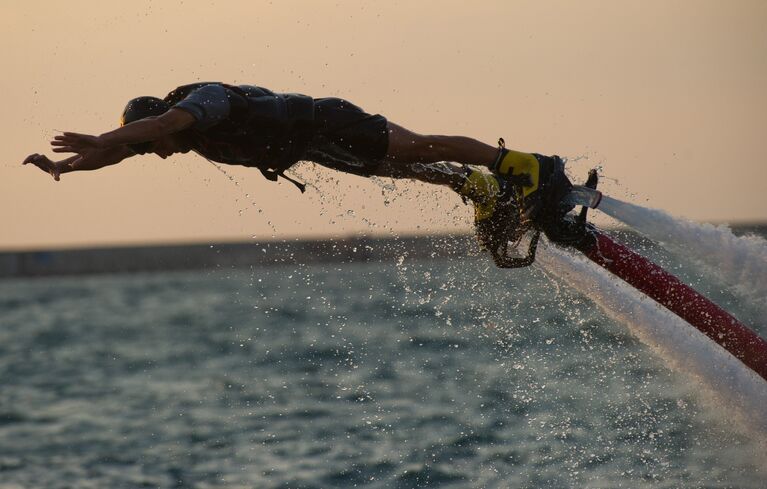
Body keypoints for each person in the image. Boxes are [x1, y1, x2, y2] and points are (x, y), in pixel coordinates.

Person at [23, 82, 569, 265]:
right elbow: (121, 153)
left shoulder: (199, 105)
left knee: (414, 147)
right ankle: (481, 191)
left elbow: (154, 127)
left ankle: (526, 167)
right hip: (309, 146)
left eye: (153, 143)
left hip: (325, 120)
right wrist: (66, 168)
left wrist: (98, 138)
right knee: (405, 172)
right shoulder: (169, 138)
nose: (158, 153)